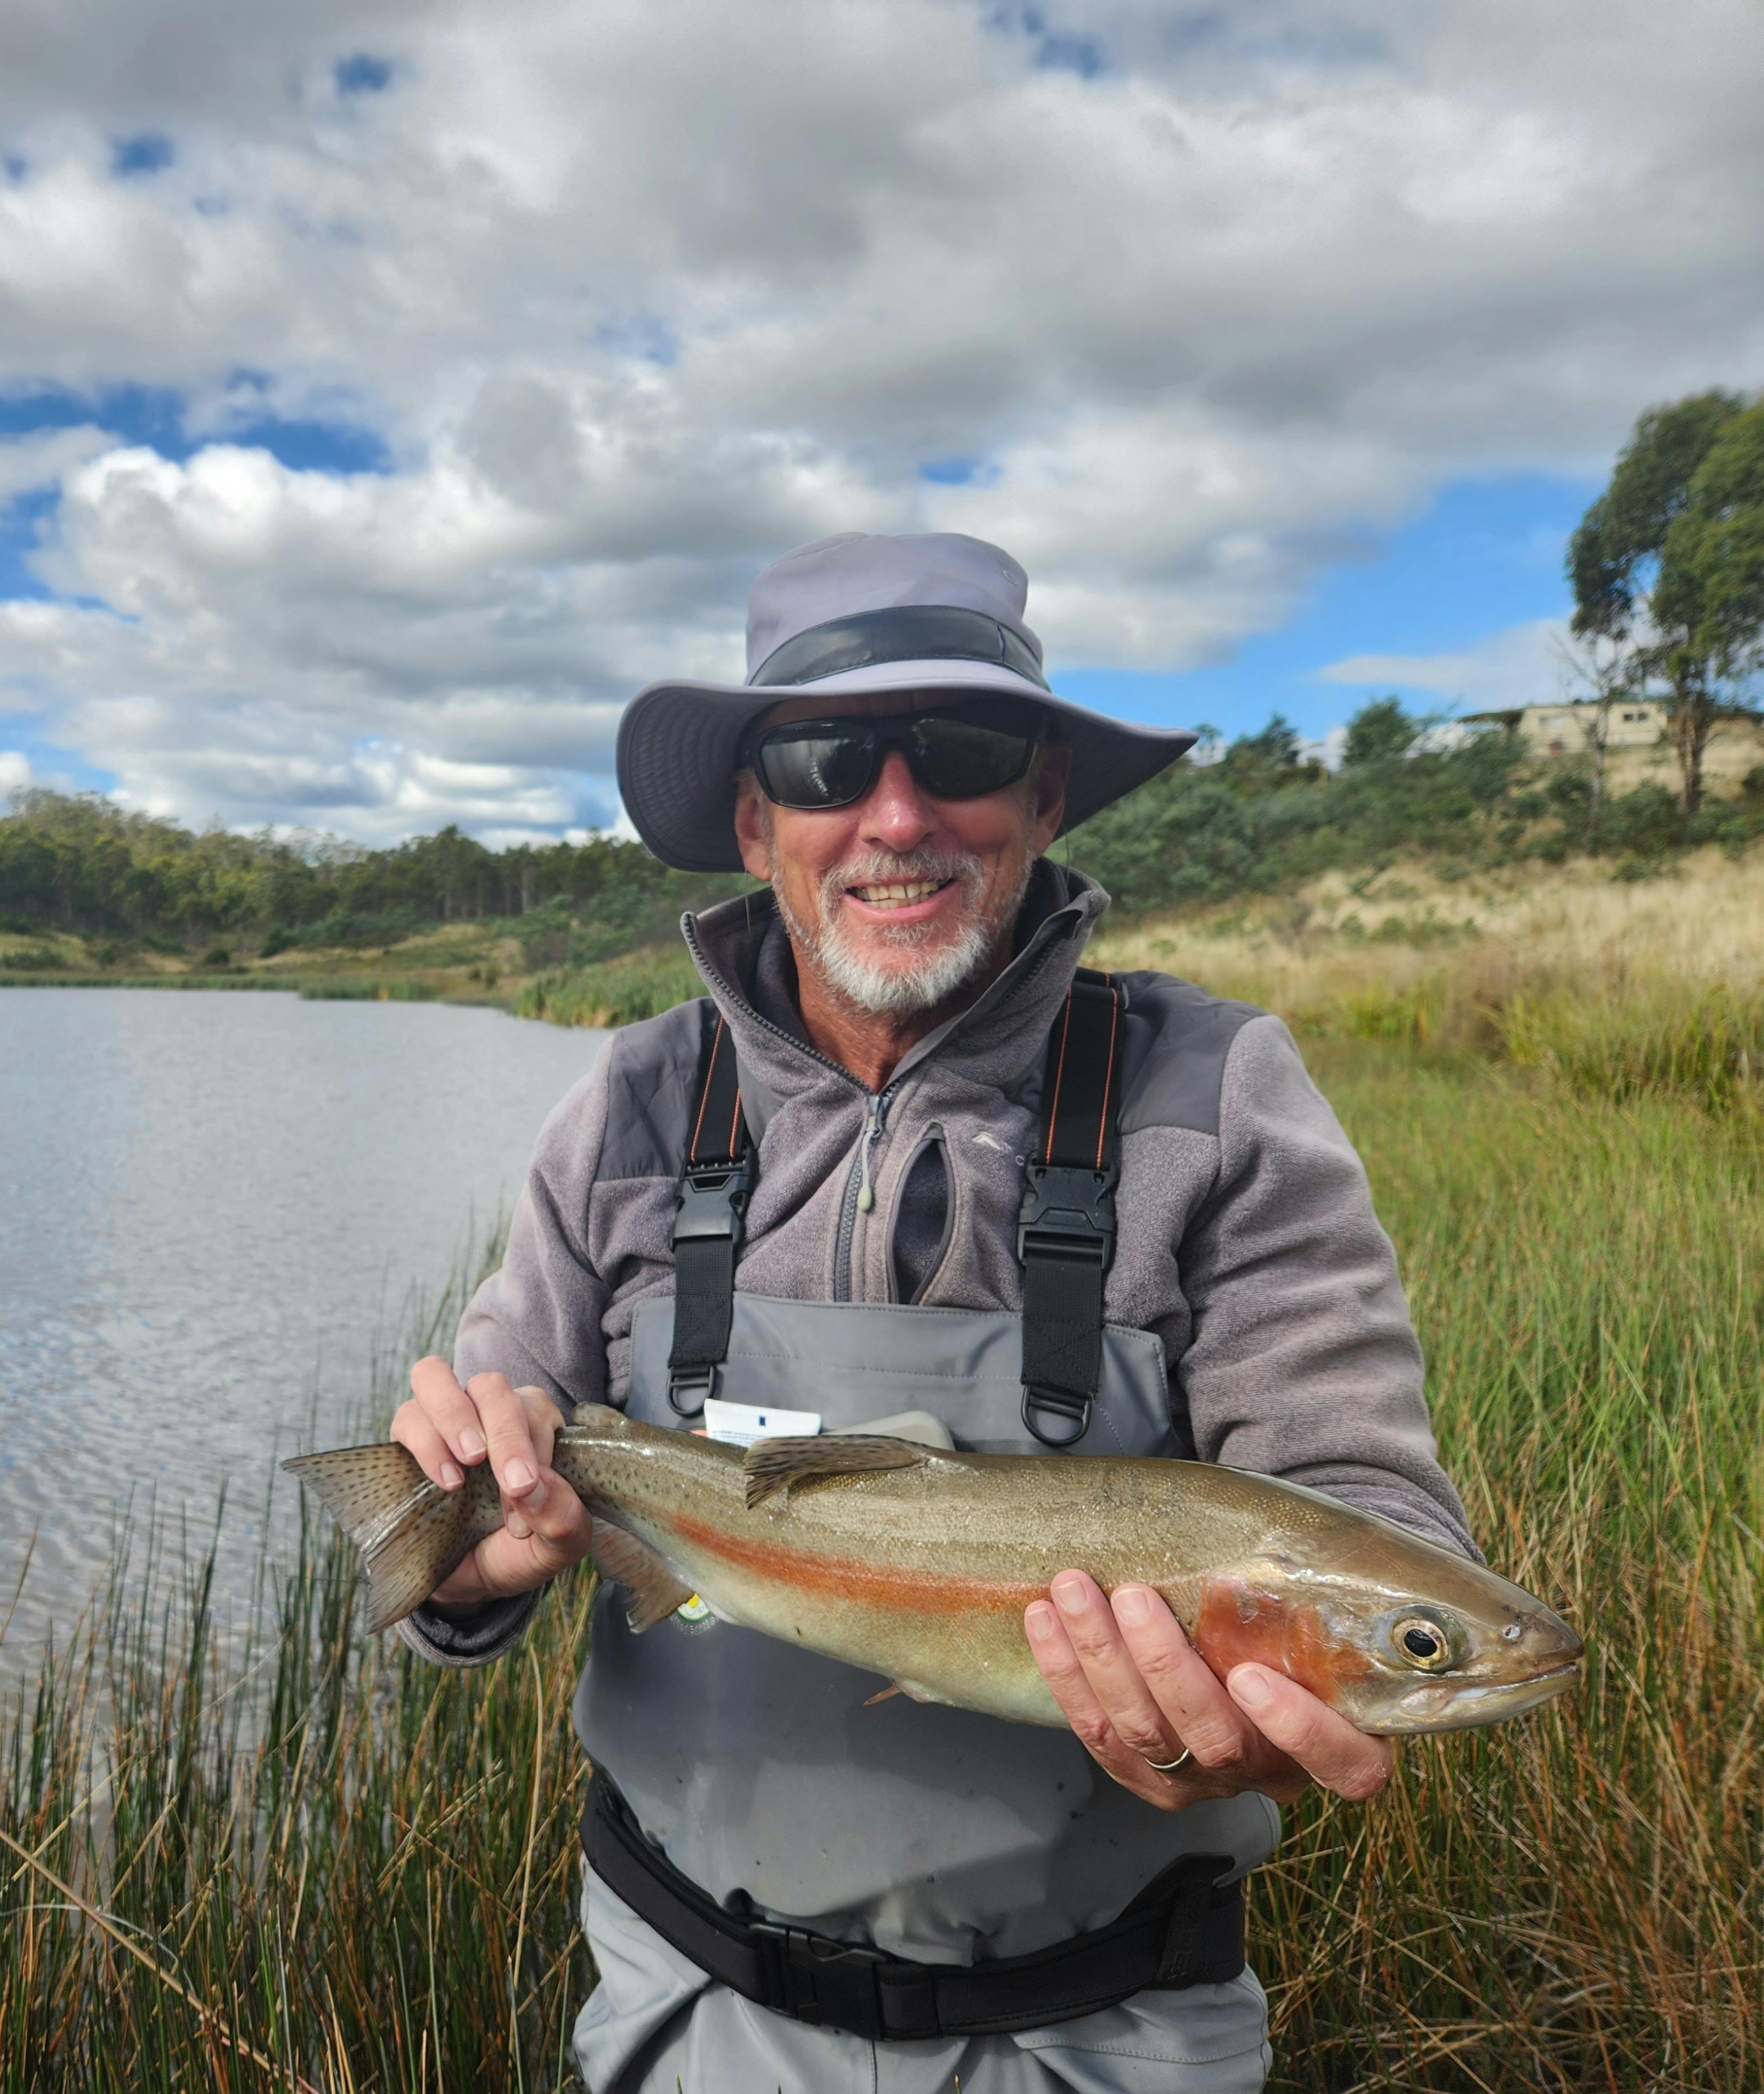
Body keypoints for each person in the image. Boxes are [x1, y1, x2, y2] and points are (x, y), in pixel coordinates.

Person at [385, 533, 1478, 2093]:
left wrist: (1260, 1694)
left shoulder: (1212, 1093)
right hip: (686, 2009)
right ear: (757, 821)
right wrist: (460, 1561)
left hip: (1105, 2034)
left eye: (959, 754)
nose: (894, 816)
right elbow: (479, 1453)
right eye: (829, 760)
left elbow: (1360, 1501)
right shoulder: (625, 1104)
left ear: (1041, 797)